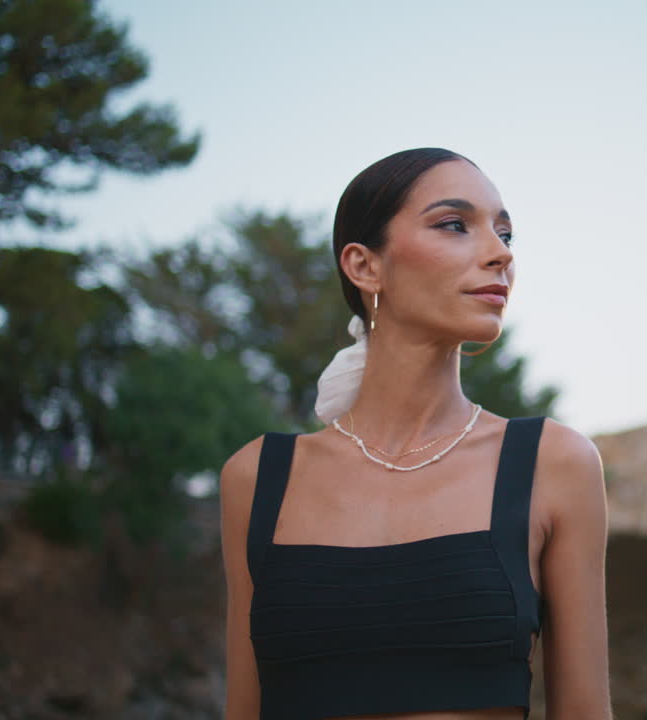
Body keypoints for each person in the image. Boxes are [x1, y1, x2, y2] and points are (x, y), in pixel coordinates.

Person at [219, 148, 611, 719]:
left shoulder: (553, 464)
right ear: (364, 266)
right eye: (455, 225)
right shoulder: (257, 478)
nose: (500, 253)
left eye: (505, 233)